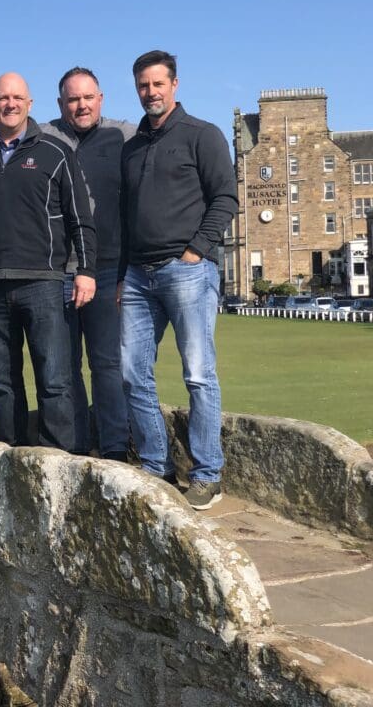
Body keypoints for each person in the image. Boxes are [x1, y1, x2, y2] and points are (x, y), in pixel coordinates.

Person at [118, 50, 238, 510]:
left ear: (174, 85)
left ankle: (207, 473)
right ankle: (156, 465)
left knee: (198, 374)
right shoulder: (132, 147)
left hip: (187, 270)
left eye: (157, 84)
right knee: (131, 373)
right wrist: (123, 270)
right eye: (143, 85)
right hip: (136, 275)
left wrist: (196, 252)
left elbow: (224, 199)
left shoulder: (201, 135)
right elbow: (127, 216)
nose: (150, 92)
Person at [0, 72, 96, 449]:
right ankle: (12, 458)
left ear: (30, 104)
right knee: (3, 382)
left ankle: (59, 459)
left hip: (43, 281)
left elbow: (80, 217)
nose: (9, 104)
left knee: (54, 379)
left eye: (17, 97)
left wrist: (86, 271)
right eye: (2, 98)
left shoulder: (55, 151)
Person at [41, 68, 136, 462]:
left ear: (101, 98)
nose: (81, 105)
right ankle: (75, 446)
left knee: (108, 363)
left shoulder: (126, 137)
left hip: (109, 265)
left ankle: (115, 446)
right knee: (62, 367)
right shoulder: (42, 136)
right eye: (72, 99)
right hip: (56, 268)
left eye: (87, 98)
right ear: (60, 103)